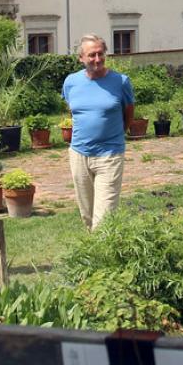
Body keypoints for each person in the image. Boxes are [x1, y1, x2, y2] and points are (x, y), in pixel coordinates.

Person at [62, 34, 135, 230]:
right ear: (81, 58)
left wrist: (117, 134)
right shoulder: (71, 82)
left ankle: (104, 254)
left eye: (100, 54)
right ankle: (96, 257)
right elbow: (74, 109)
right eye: (92, 55)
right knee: (87, 215)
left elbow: (128, 112)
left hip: (109, 155)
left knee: (103, 220)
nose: (97, 59)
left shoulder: (120, 82)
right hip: (79, 154)